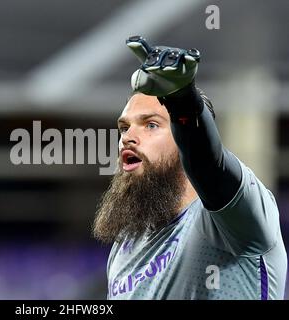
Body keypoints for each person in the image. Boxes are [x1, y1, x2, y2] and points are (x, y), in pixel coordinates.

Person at [92, 36, 287, 299]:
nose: (127, 137)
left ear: (184, 140)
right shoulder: (126, 245)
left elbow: (208, 163)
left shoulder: (234, 221)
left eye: (151, 125)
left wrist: (181, 99)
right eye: (125, 127)